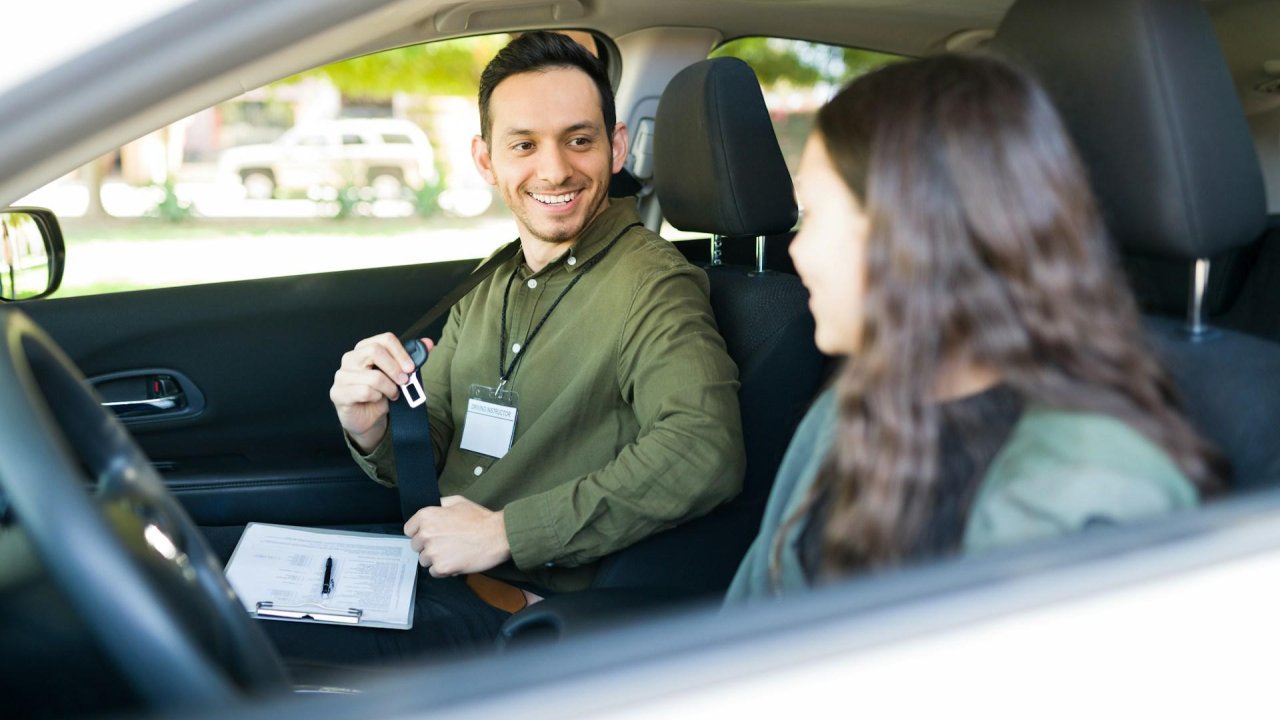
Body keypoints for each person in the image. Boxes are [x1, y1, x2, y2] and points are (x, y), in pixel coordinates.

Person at [726, 53, 1224, 601]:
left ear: (911, 235)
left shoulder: (1094, 492)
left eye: (815, 214)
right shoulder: (850, 410)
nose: (798, 251)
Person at [323, 31, 744, 657]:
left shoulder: (652, 284)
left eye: (579, 140)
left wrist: (505, 533)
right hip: (442, 572)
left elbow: (703, 449)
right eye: (524, 144)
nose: (554, 170)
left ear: (616, 147)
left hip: (529, 613)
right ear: (486, 160)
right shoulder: (492, 278)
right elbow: (437, 438)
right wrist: (372, 429)